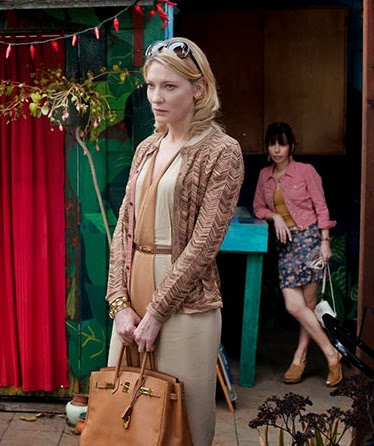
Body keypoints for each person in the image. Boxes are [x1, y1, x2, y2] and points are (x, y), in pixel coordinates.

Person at [105, 37, 244, 446]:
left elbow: (204, 243)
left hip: (186, 307)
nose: (156, 97)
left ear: (198, 89)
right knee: (124, 420)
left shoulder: (222, 152)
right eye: (151, 85)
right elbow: (123, 228)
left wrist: (157, 312)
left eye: (169, 86)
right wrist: (119, 304)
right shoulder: (146, 148)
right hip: (131, 300)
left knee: (183, 426)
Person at [253, 122, 342, 387]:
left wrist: (325, 242)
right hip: (287, 245)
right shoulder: (264, 176)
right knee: (295, 305)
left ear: (291, 146)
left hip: (310, 240)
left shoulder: (306, 171)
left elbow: (321, 208)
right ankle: (332, 353)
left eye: (281, 143)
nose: (276, 149)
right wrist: (275, 216)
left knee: (307, 304)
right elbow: (258, 207)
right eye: (272, 143)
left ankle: (299, 358)